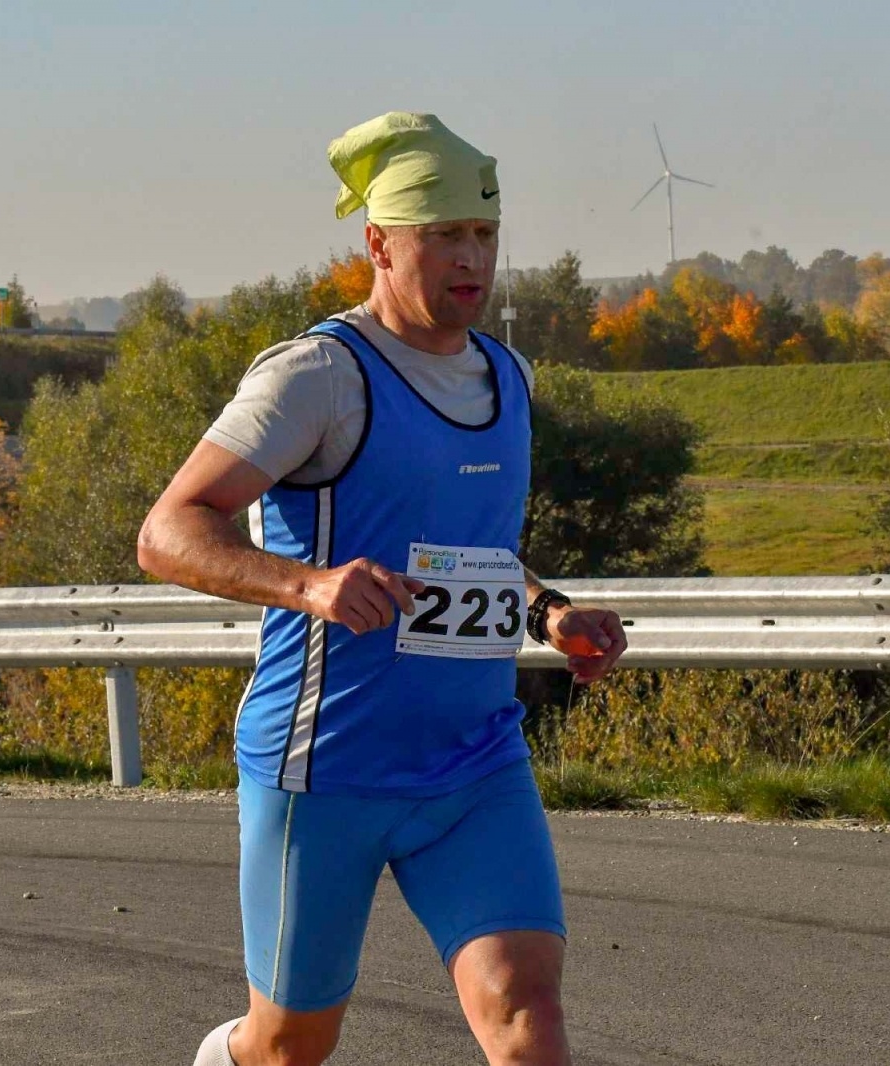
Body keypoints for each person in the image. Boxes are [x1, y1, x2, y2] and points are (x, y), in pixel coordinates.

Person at [137, 111, 628, 1066]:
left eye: (484, 234)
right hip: (327, 767)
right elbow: (169, 530)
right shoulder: (318, 376)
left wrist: (551, 612)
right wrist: (308, 584)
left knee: (527, 1013)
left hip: (474, 763)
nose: (470, 257)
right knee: (292, 1045)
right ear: (379, 243)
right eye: (444, 234)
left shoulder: (509, 378)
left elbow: (470, 554)